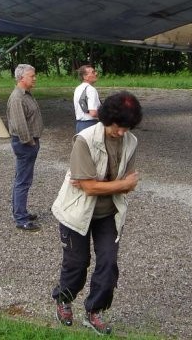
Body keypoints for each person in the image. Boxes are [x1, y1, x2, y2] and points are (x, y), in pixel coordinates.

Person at [51, 91, 143, 335]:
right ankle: (63, 300)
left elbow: (126, 183)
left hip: (108, 214)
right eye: (118, 126)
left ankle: (94, 311)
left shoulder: (131, 141)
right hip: (76, 213)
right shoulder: (85, 139)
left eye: (127, 127)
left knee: (108, 264)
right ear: (106, 118)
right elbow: (90, 188)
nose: (121, 132)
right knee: (77, 264)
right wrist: (118, 185)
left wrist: (104, 184)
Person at [6, 64, 44, 231]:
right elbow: (20, 126)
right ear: (21, 78)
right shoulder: (17, 98)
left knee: (22, 179)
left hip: (29, 143)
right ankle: (21, 218)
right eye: (31, 76)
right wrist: (30, 142)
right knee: (23, 181)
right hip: (25, 144)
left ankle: (20, 211)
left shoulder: (26, 95)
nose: (34, 78)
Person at [73, 65, 101, 133]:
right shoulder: (91, 89)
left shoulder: (78, 88)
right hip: (90, 125)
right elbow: (93, 113)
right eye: (93, 72)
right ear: (85, 77)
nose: (96, 74)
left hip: (79, 125)